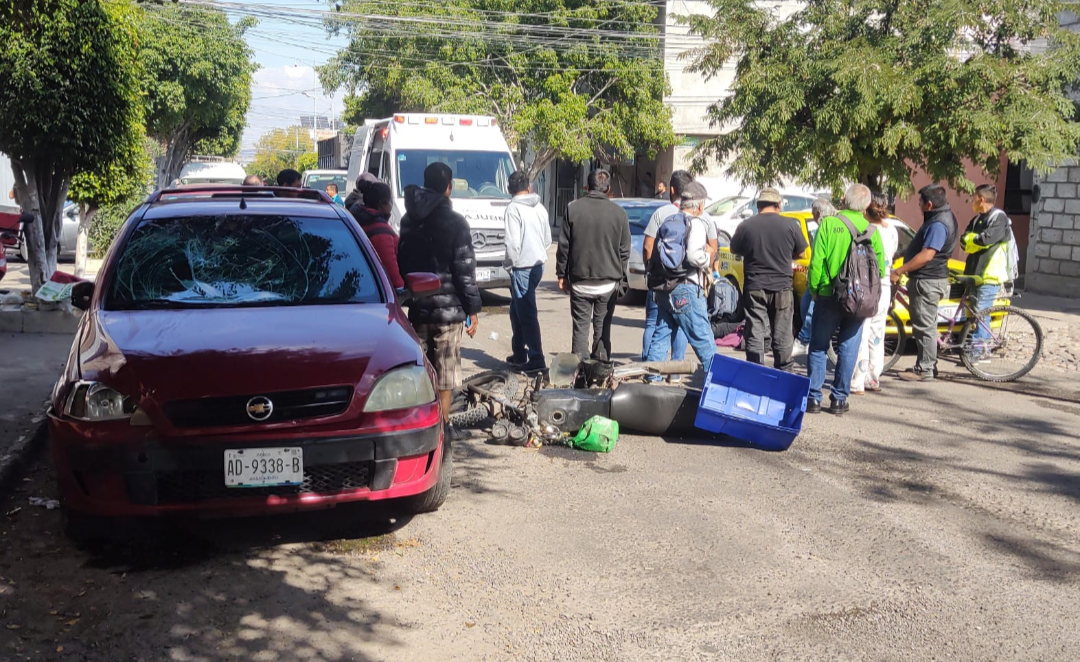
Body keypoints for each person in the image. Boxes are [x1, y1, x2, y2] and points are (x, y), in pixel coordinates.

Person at [398, 162, 482, 429]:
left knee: (421, 372)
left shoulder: (408, 219)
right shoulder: (456, 222)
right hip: (449, 311)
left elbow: (402, 260)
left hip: (419, 305)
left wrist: (414, 289)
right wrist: (473, 309)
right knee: (445, 373)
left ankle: (419, 424)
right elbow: (464, 270)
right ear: (449, 187)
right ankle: (442, 427)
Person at [806, 184, 887, 415]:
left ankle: (813, 398)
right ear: (867, 205)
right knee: (849, 348)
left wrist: (815, 288)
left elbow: (817, 261)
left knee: (819, 346)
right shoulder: (873, 231)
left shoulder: (829, 224)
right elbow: (880, 270)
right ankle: (839, 399)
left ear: (843, 199)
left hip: (828, 294)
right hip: (859, 299)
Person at [729, 187, 808, 371]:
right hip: (782, 287)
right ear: (778, 205)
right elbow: (802, 252)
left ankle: (756, 371)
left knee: (755, 330)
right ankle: (784, 372)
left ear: (758, 206)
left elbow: (734, 249)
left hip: (755, 286)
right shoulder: (790, 226)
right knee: (782, 333)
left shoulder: (746, 226)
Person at [556, 169, 631, 361]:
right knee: (602, 331)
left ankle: (580, 376)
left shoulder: (573, 209)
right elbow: (624, 251)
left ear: (587, 187)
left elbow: (564, 246)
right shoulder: (619, 214)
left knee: (580, 331)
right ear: (608, 189)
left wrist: (561, 275)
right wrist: (622, 279)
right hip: (608, 284)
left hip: (580, 281)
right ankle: (600, 375)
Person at [644, 181, 717, 371]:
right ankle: (718, 380)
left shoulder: (670, 221)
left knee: (661, 336)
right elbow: (693, 255)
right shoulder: (696, 223)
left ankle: (651, 380)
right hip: (687, 288)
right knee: (703, 338)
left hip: (665, 287)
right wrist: (708, 255)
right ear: (699, 205)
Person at [891, 184, 958, 382]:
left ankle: (926, 369)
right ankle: (926, 364)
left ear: (929, 204)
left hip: (927, 280)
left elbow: (927, 254)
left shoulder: (938, 224)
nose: (918, 205)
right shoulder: (936, 217)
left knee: (924, 326)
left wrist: (899, 270)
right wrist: (901, 254)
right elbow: (919, 245)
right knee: (924, 324)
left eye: (920, 202)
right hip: (926, 279)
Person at [641, 170, 700, 361]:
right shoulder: (699, 216)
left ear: (671, 189)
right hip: (686, 282)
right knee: (682, 323)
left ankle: (650, 368)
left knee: (653, 323)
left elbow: (648, 246)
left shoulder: (661, 213)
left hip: (659, 280)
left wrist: (650, 268)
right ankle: (676, 369)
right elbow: (712, 247)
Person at [503, 170, 552, 372]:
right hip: (538, 263)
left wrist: (510, 265)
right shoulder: (539, 207)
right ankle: (519, 352)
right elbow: (547, 239)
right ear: (528, 187)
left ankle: (536, 357)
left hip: (522, 266)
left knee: (526, 313)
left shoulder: (513, 209)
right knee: (517, 310)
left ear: (509, 189)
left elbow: (512, 243)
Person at [851, 192, 899, 394]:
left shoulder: (866, 229)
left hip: (867, 283)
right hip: (885, 284)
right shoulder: (892, 230)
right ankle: (874, 377)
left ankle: (857, 380)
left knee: (861, 330)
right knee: (878, 332)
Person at [961, 184, 1017, 352]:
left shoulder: (998, 218)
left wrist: (973, 240)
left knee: (982, 314)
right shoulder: (977, 219)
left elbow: (985, 240)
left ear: (982, 199)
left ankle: (979, 352)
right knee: (976, 313)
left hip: (989, 275)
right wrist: (973, 240)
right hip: (975, 273)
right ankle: (978, 348)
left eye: (973, 197)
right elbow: (964, 241)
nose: (972, 200)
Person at [793, 198, 837, 355]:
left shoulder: (826, 226)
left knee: (812, 307)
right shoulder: (830, 224)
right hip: (818, 276)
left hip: (824, 279)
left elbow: (818, 259)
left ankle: (804, 339)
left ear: (819, 213)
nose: (812, 217)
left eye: (813, 214)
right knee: (805, 305)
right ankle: (808, 337)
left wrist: (814, 284)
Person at [350, 179, 404, 289]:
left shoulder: (352, 220)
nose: (391, 206)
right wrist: (400, 289)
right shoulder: (381, 231)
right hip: (376, 291)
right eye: (390, 201)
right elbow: (390, 268)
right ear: (383, 203)